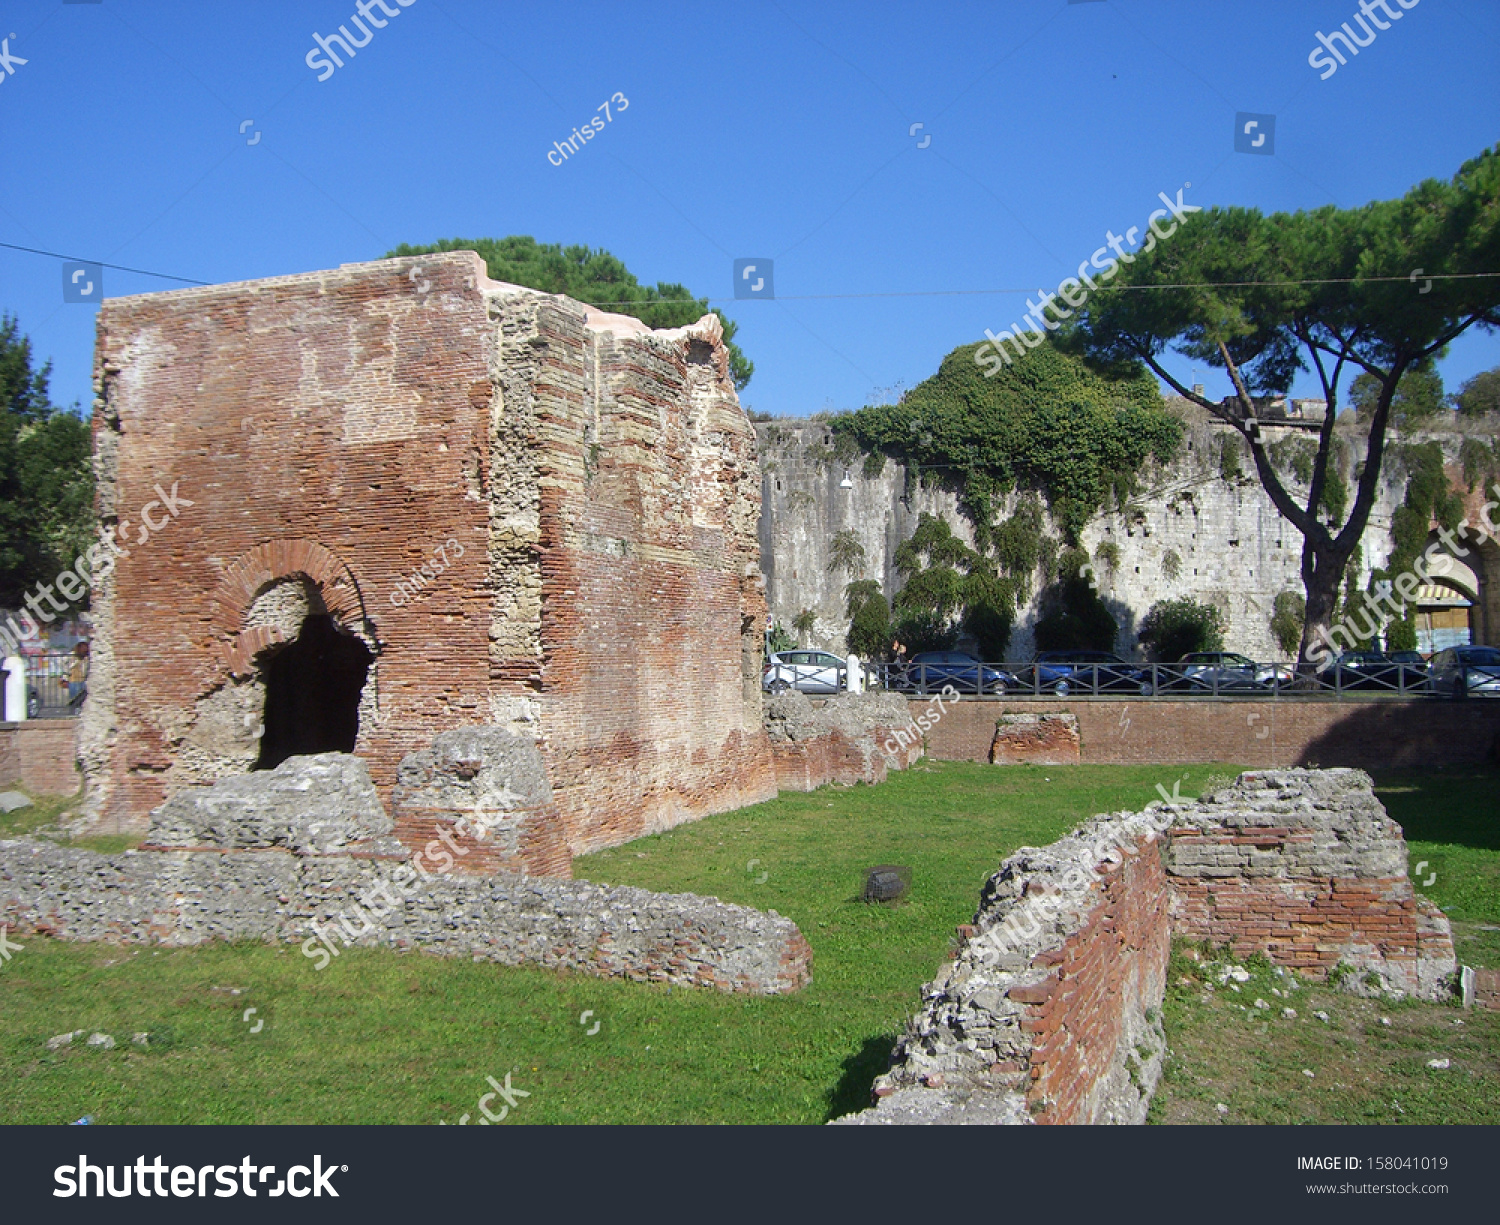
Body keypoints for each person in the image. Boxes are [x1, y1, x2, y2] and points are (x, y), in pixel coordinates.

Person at [67, 641, 90, 706]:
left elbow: (86, 670)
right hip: (73, 680)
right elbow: (67, 667)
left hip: (83, 680)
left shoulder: (87, 658)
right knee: (74, 700)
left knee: (83, 701)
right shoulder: (71, 656)